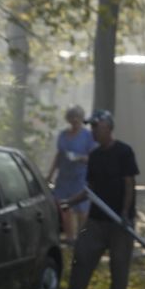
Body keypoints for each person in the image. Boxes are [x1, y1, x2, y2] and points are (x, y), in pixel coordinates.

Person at [61, 110, 140, 289]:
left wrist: (125, 213)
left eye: (97, 126)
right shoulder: (94, 156)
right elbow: (91, 189)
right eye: (92, 127)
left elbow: (129, 184)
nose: (93, 131)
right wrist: (69, 202)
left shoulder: (124, 152)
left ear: (108, 127)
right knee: (83, 254)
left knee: (119, 264)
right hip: (96, 219)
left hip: (120, 221)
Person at [46, 105, 96, 244]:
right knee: (64, 207)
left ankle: (84, 238)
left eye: (77, 117)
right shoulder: (63, 135)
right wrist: (50, 174)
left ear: (81, 118)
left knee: (82, 209)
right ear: (68, 119)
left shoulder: (88, 136)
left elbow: (94, 157)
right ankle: (70, 238)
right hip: (64, 177)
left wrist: (80, 158)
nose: (74, 120)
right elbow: (59, 155)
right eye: (72, 117)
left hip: (80, 177)